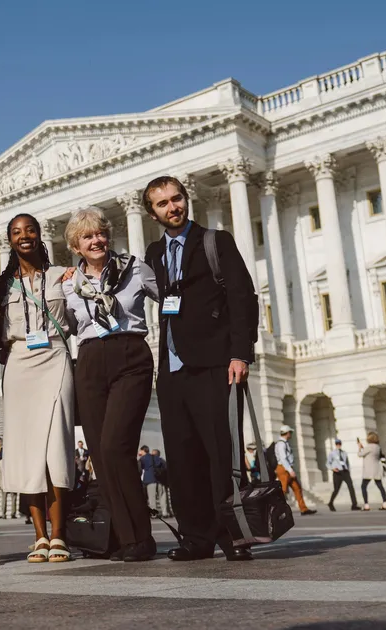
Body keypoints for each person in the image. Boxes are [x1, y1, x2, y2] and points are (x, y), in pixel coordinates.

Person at [143, 175, 259, 562]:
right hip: (173, 369)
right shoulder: (154, 254)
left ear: (185, 199)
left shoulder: (215, 241)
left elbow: (243, 297)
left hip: (215, 363)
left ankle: (234, 536)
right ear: (152, 212)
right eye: (162, 203)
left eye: (177, 199)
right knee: (182, 456)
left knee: (220, 455)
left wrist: (240, 353)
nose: (172, 207)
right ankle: (196, 538)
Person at [63, 206, 160, 562]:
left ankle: (140, 537)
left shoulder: (135, 269)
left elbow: (170, 301)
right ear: (76, 244)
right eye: (87, 236)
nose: (96, 240)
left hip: (130, 355)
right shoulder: (70, 284)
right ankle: (119, 536)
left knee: (116, 446)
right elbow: (65, 327)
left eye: (100, 233)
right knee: (102, 457)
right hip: (89, 361)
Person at [0, 213, 75, 564]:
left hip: (55, 356)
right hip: (18, 363)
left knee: (55, 445)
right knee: (27, 452)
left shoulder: (63, 276)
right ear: (9, 240)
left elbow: (79, 318)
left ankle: (59, 534)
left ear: (40, 235)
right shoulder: (0, 286)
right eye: (16, 232)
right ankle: (39, 535)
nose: (24, 236)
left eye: (29, 230)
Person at [274, 426, 317, 516]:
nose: (291, 434)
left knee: (297, 488)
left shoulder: (284, 443)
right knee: (283, 490)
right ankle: (276, 511)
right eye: (290, 432)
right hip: (284, 468)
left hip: (287, 468)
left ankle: (303, 509)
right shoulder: (281, 444)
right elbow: (283, 458)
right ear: (287, 433)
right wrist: (290, 470)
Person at [327, 438, 360, 511]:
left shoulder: (344, 453)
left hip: (345, 472)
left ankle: (354, 505)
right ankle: (330, 503)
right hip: (337, 472)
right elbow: (328, 463)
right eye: (337, 444)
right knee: (336, 489)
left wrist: (348, 471)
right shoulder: (332, 453)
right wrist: (332, 468)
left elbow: (347, 463)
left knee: (351, 487)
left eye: (339, 444)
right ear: (335, 445)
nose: (338, 445)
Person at [358, 432, 386, 511]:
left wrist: (359, 447)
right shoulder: (378, 447)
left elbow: (360, 454)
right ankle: (385, 503)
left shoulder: (368, 447)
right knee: (380, 486)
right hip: (377, 469)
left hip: (368, 470)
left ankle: (366, 505)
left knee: (364, 486)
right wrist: (363, 448)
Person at [139, 446, 168, 520]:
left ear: (143, 450)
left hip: (150, 480)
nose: (139, 453)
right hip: (160, 480)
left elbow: (139, 468)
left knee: (152, 499)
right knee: (162, 497)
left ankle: (154, 514)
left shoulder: (143, 458)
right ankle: (165, 513)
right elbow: (165, 466)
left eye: (140, 451)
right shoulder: (157, 458)